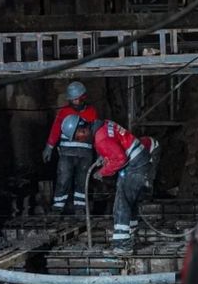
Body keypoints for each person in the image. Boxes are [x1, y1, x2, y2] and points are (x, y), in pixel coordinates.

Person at [92, 119, 152, 253]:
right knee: (130, 202)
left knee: (122, 202)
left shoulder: (101, 139)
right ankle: (131, 237)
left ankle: (122, 245)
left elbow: (120, 159)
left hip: (135, 164)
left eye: (77, 137)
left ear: (82, 131)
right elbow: (116, 143)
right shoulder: (105, 125)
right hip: (141, 161)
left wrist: (102, 172)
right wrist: (105, 156)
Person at [45, 81, 98, 214]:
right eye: (72, 99)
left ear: (83, 97)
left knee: (82, 181)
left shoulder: (92, 112)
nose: (74, 102)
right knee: (63, 179)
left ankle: (80, 208)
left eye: (76, 99)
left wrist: (100, 152)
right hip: (67, 153)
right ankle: (57, 207)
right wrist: (49, 146)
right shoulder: (64, 112)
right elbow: (56, 129)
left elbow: (96, 132)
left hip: (85, 154)